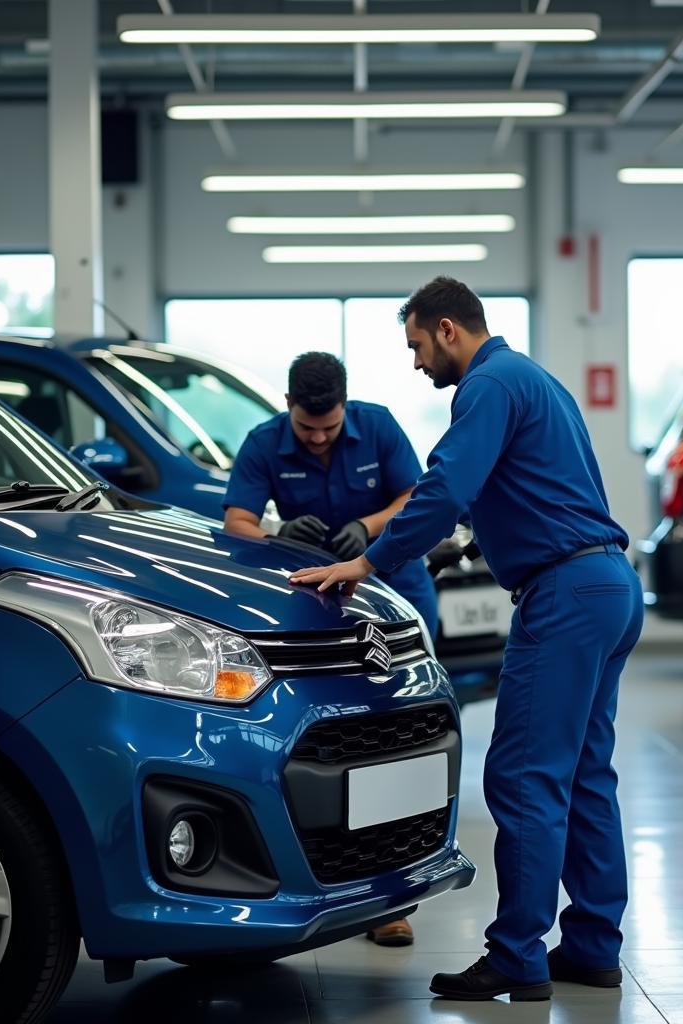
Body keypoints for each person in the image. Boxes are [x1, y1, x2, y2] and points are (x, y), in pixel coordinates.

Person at [290, 277, 644, 1001]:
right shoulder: (535, 380)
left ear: (448, 328)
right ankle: (593, 946)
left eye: (417, 344)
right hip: (609, 586)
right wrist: (466, 543)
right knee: (584, 774)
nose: (417, 362)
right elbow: (533, 489)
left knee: (523, 777)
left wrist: (369, 561)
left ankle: (517, 955)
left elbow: (444, 485)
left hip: (565, 597)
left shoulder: (483, 387)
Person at [223, 350, 439, 949]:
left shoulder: (381, 425)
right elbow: (236, 519)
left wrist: (368, 528)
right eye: (307, 427)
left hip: (394, 588)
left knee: (397, 746)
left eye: (329, 427)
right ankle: (327, 880)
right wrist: (274, 535)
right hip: (319, 605)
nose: (318, 439)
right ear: (288, 406)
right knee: (335, 748)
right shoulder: (263, 441)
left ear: (345, 408)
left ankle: (389, 902)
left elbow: (416, 498)